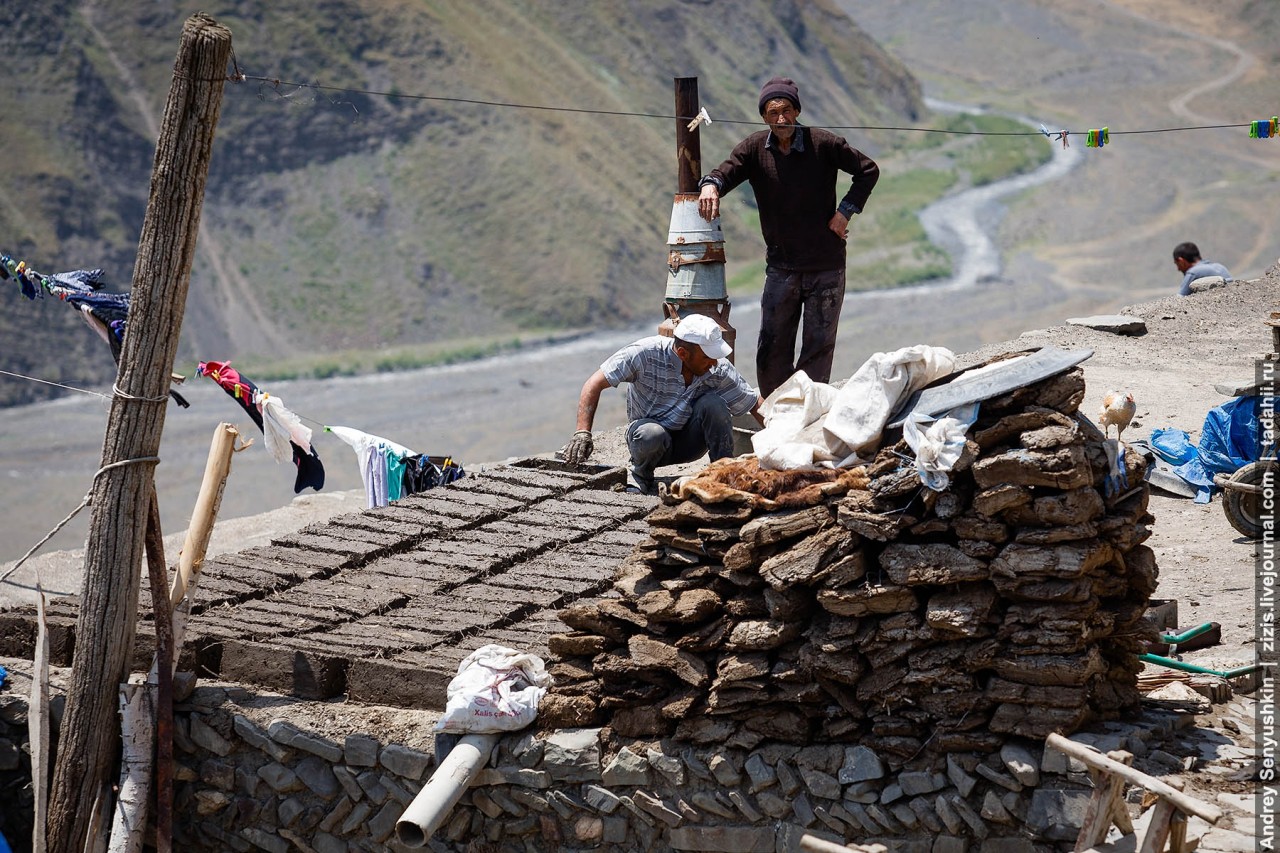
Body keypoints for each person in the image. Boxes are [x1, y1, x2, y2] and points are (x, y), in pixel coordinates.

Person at [697, 76, 880, 398]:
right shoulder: (754, 148)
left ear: (796, 111)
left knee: (818, 344)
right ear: (764, 117)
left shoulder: (823, 143)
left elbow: (867, 170)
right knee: (772, 343)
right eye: (772, 113)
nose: (781, 119)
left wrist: (844, 212)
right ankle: (775, 408)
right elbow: (724, 173)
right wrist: (710, 185)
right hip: (781, 267)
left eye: (786, 111)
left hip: (826, 264)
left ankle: (808, 408)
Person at [563, 314, 765, 494]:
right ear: (683, 353)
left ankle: (722, 474)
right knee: (652, 433)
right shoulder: (645, 353)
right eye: (707, 357)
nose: (713, 362)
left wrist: (782, 437)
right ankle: (641, 478)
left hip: (689, 443)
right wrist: (582, 432)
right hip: (648, 443)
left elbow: (752, 401)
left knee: (715, 404)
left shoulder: (716, 367)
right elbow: (593, 384)